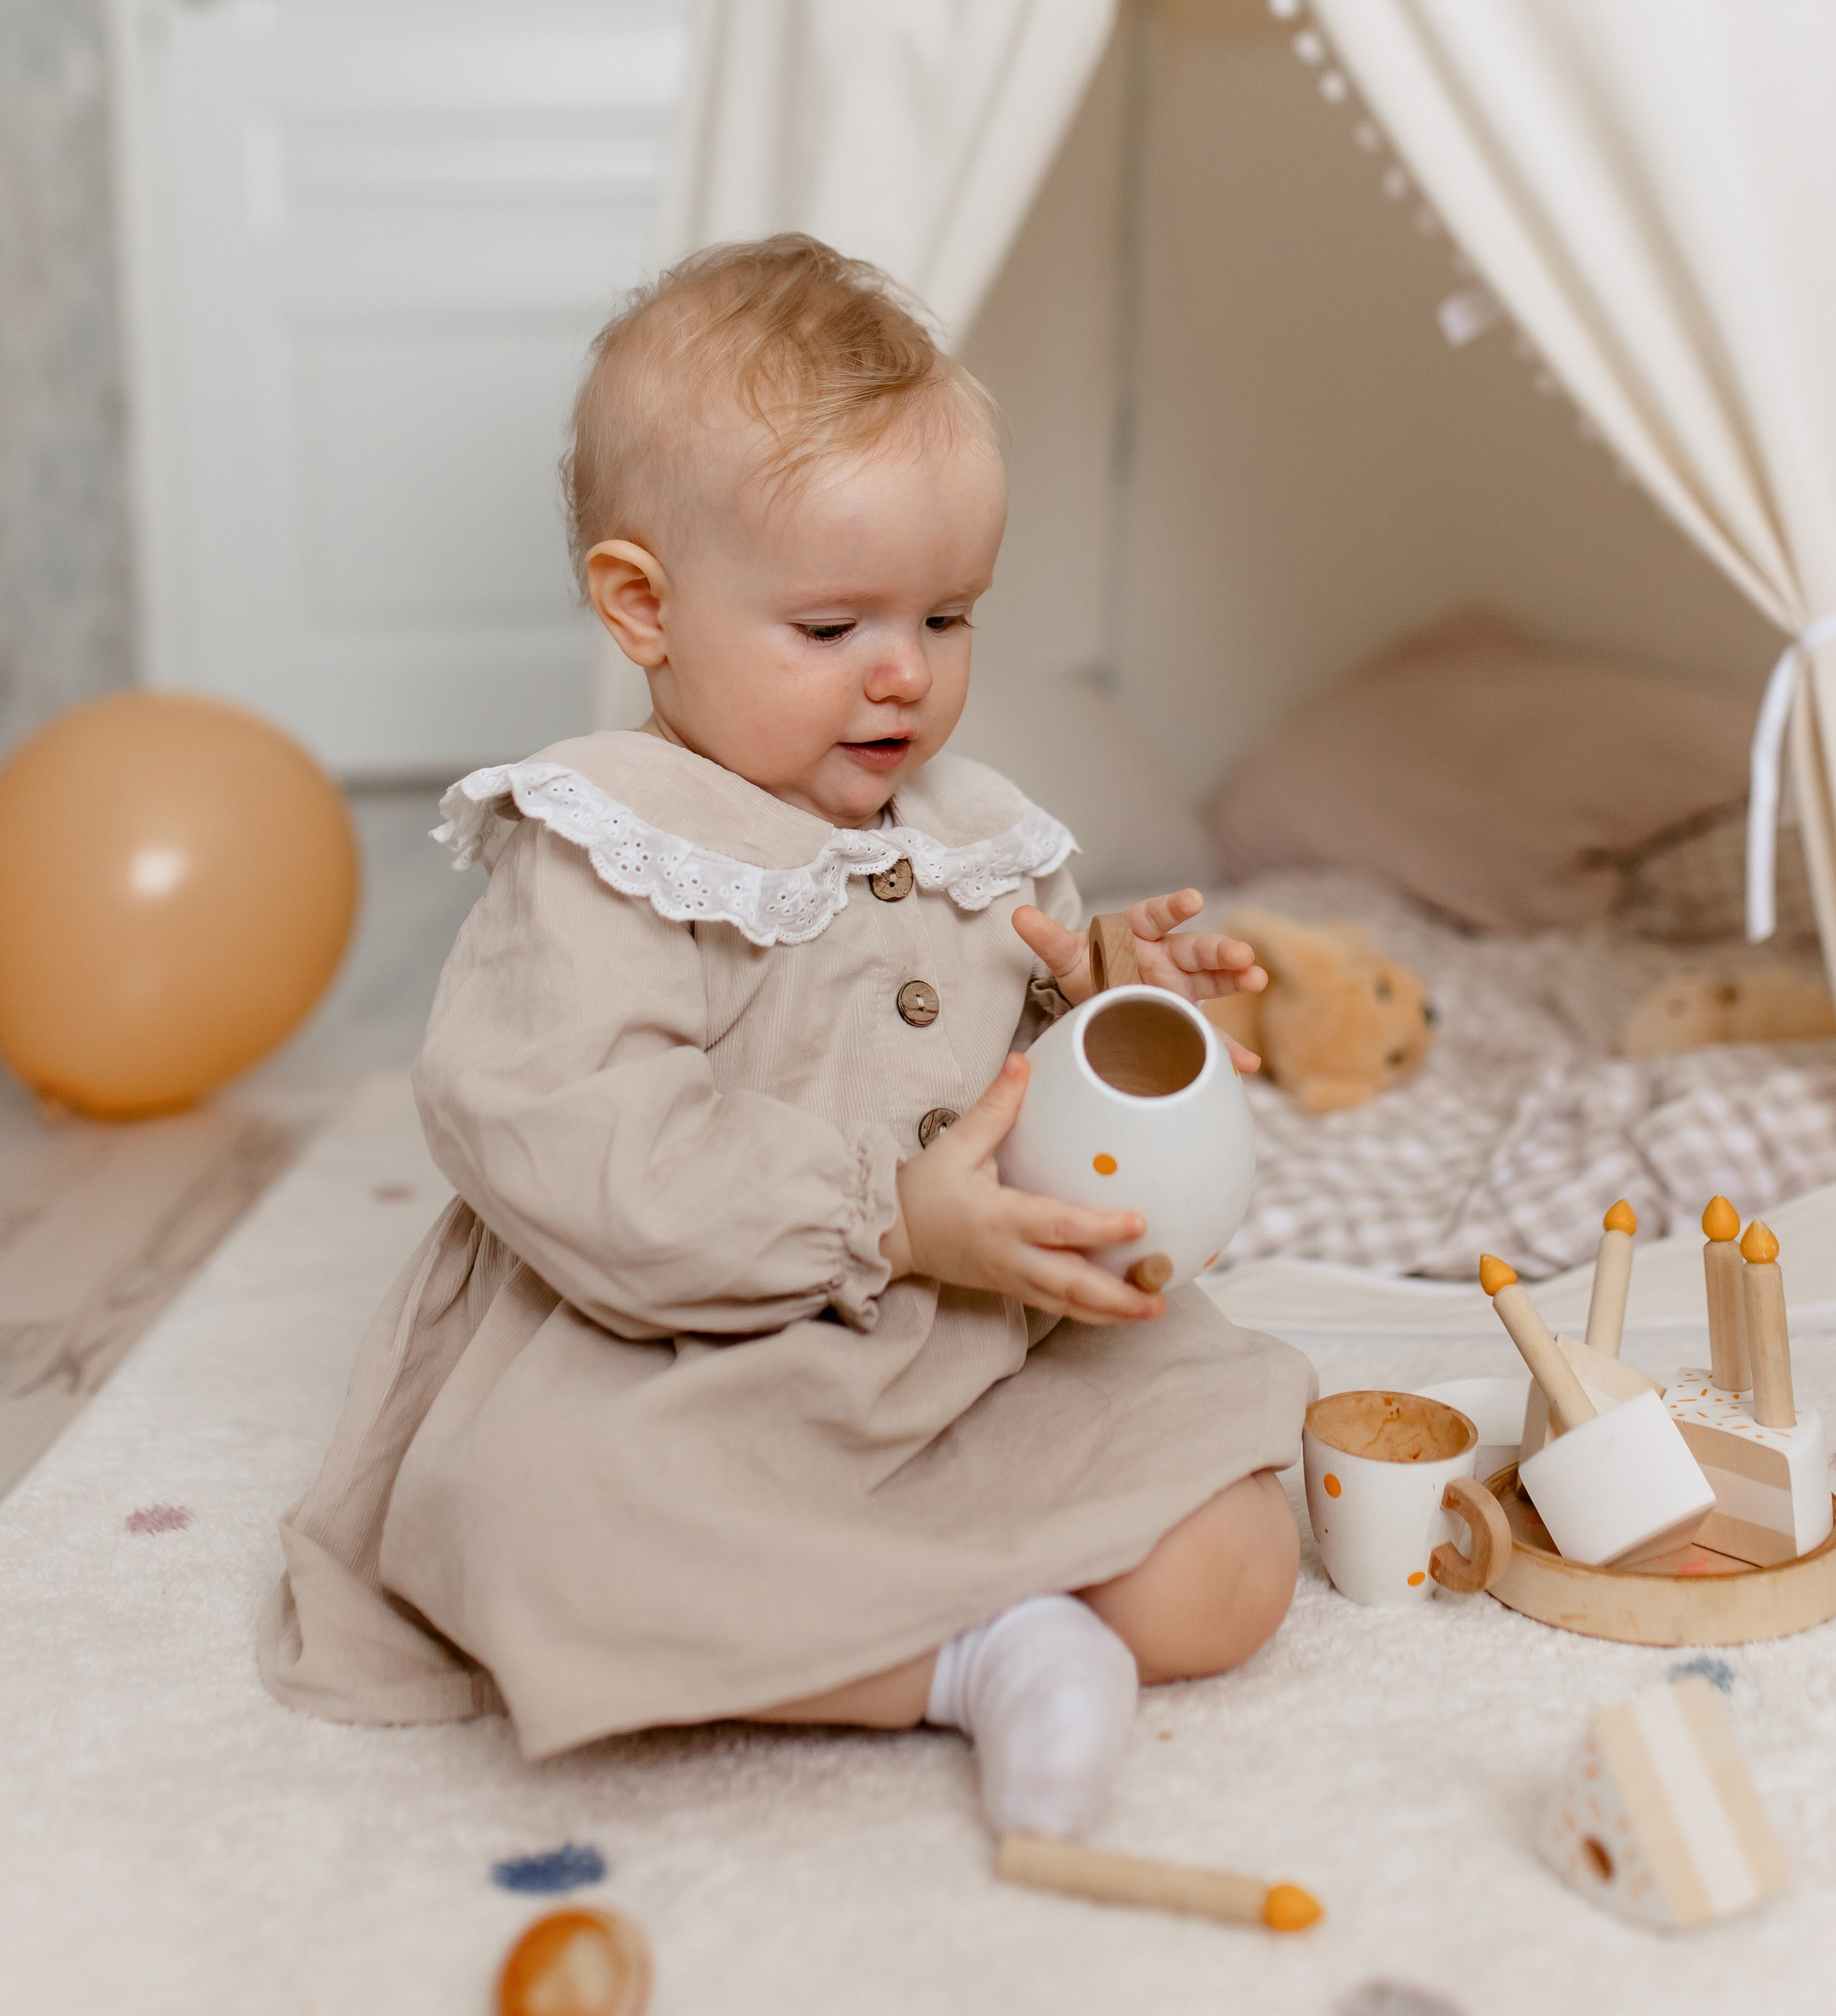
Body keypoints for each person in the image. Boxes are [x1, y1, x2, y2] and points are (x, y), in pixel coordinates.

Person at [262, 235, 1311, 1840]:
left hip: (969, 1350)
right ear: (645, 607)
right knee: (540, 1539)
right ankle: (971, 1656)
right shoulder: (609, 841)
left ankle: (930, 1599)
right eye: (830, 629)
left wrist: (1103, 999)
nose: (903, 676)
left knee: (1231, 1566)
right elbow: (562, 1127)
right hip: (687, 1356)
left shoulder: (974, 829)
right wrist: (880, 1219)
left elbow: (1005, 1080)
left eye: (947, 616)